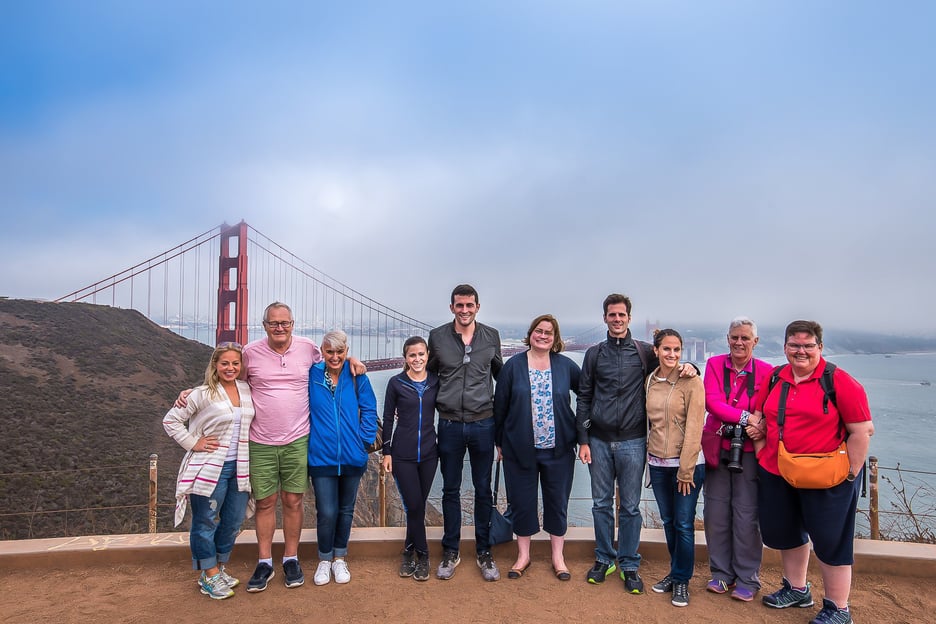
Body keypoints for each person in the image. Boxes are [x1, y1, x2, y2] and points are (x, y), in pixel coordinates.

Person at [174, 301, 365, 592]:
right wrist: (195, 391)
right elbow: (227, 378)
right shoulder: (250, 353)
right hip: (260, 442)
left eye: (285, 323)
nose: (279, 328)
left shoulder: (308, 348)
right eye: (273, 323)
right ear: (264, 326)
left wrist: (353, 361)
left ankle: (291, 558)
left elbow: (333, 359)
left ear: (293, 324)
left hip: (299, 440)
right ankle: (265, 562)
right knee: (265, 503)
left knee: (293, 501)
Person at [747, 320, 873, 624]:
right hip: (778, 471)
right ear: (785, 346)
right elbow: (758, 413)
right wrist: (761, 442)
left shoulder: (840, 381)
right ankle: (797, 589)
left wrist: (851, 474)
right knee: (786, 533)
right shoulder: (776, 377)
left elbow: (862, 431)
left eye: (807, 345)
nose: (800, 351)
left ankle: (838, 607)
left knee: (832, 541)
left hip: (827, 476)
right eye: (794, 345)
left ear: (820, 347)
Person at [576, 293, 696, 593]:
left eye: (622, 315)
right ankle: (604, 558)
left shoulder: (645, 353)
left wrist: (692, 365)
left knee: (630, 507)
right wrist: (583, 440)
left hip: (633, 441)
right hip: (599, 441)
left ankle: (629, 563)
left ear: (629, 318)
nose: (617, 320)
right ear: (605, 318)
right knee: (601, 505)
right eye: (612, 315)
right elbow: (584, 398)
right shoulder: (594, 354)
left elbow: (672, 360)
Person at [163, 342, 255, 600]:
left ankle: (220, 567)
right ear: (215, 365)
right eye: (224, 363)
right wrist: (194, 443)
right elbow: (170, 420)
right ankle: (209, 573)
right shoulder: (201, 394)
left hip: (241, 466)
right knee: (205, 520)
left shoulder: (247, 389)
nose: (230, 368)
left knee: (233, 521)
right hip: (209, 466)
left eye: (235, 363)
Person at [493, 314, 580, 581]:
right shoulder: (513, 366)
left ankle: (558, 558)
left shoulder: (566, 366)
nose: (543, 336)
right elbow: (500, 407)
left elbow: (587, 395)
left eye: (549, 333)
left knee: (557, 503)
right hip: (519, 450)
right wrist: (499, 443)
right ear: (530, 334)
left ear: (556, 338)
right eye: (538, 331)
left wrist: (583, 434)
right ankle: (523, 556)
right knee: (522, 503)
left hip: (560, 449)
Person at [428, 284, 504, 581]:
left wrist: (506, 428)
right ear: (451, 308)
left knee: (484, 490)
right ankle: (451, 550)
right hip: (448, 424)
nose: (464, 310)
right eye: (459, 305)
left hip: (484, 423)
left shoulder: (492, 336)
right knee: (450, 489)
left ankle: (484, 551)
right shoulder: (437, 337)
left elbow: (503, 378)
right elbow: (426, 374)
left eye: (469, 305)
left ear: (477, 306)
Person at [702, 316, 771, 602]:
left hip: (750, 451)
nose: (739, 342)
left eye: (745, 338)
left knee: (746, 516)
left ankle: (747, 578)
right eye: (734, 337)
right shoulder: (715, 365)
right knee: (715, 514)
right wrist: (747, 417)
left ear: (755, 341)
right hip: (718, 448)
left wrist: (761, 423)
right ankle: (721, 573)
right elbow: (712, 402)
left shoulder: (767, 371)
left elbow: (767, 409)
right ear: (727, 339)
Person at [307, 330, 378, 586]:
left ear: (346, 352)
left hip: (352, 455)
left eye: (340, 352)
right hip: (321, 456)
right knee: (326, 511)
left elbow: (370, 409)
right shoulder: (311, 375)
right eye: (330, 351)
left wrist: (364, 441)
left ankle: (339, 558)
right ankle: (324, 560)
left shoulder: (357, 376)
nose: (335, 356)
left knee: (346, 510)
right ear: (322, 351)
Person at [645, 329, 705, 607]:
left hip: (686, 466)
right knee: (669, 522)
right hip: (657, 464)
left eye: (677, 350)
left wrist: (686, 469)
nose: (672, 354)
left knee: (683, 524)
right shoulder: (650, 381)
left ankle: (682, 580)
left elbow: (695, 427)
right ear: (655, 350)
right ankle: (675, 571)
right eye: (666, 349)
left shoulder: (691, 381)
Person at [382, 336, 440, 582]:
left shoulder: (436, 382)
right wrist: (387, 451)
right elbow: (386, 419)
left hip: (429, 454)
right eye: (412, 355)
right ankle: (423, 556)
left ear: (428, 355)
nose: (417, 359)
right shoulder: (396, 383)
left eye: (421, 354)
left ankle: (407, 551)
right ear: (405, 358)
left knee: (416, 507)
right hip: (402, 455)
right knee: (415, 506)